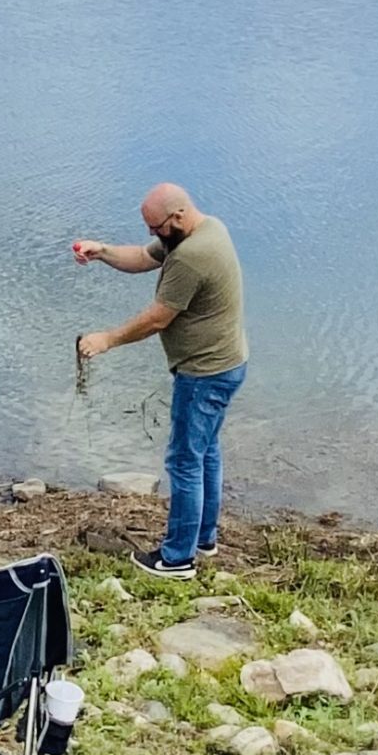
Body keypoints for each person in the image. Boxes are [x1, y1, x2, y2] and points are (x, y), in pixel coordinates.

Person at [73, 183, 248, 581]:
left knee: (184, 461)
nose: (153, 235)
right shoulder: (205, 229)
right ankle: (204, 539)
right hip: (227, 365)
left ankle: (177, 559)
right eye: (149, 228)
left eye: (157, 227)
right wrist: (100, 251)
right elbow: (141, 257)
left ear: (179, 216)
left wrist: (107, 340)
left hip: (204, 374)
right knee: (205, 453)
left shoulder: (192, 256)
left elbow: (157, 318)